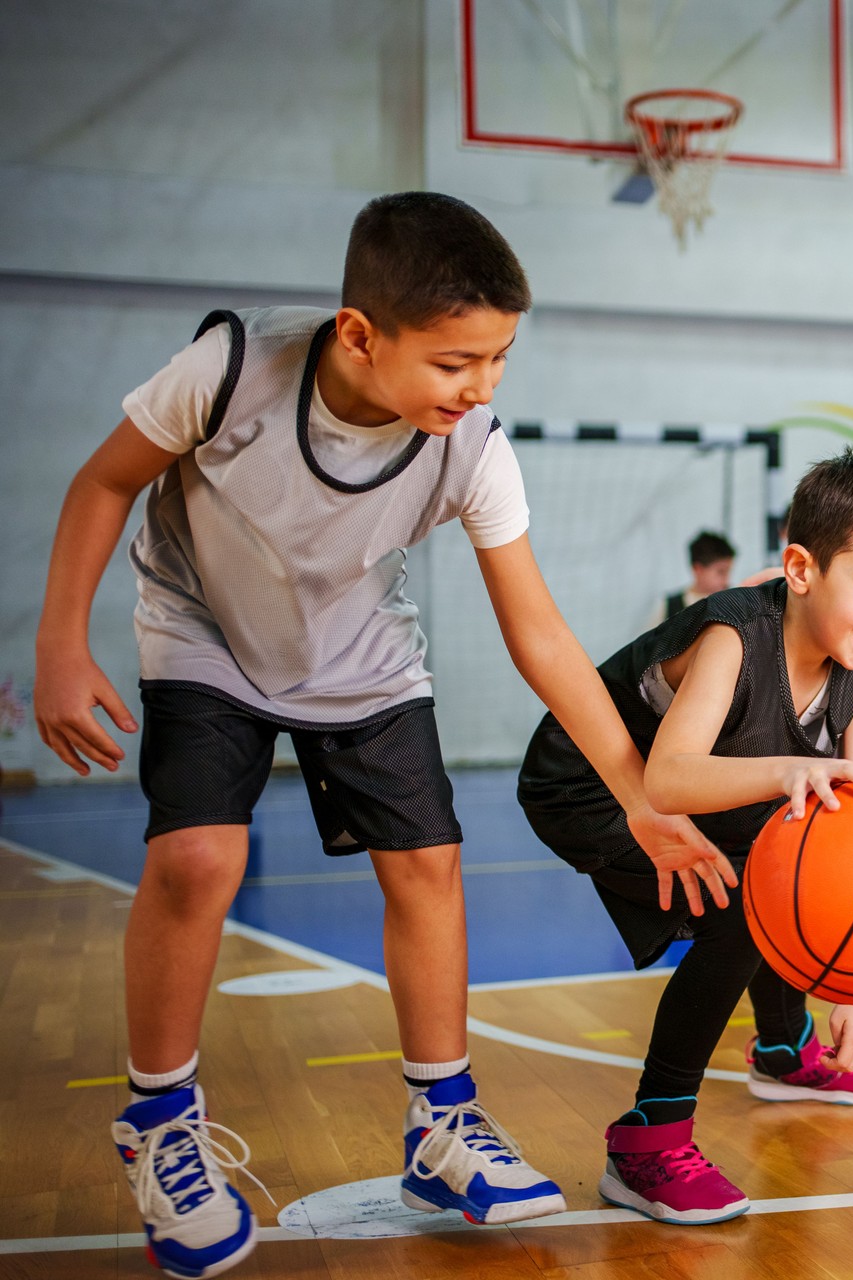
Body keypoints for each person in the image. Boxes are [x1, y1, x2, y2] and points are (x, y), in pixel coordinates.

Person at [32, 193, 731, 1275]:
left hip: (359, 652)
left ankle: (440, 1124)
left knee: (430, 864)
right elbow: (103, 481)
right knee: (200, 855)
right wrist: (60, 648)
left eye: (499, 357)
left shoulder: (473, 447)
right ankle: (161, 1119)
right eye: (457, 361)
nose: (484, 384)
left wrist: (641, 793)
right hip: (205, 628)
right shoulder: (228, 367)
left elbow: (538, 630)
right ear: (360, 334)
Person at [517, 446, 853, 1225]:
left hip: (690, 790)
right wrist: (790, 772)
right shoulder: (734, 637)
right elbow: (668, 779)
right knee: (743, 907)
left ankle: (784, 1052)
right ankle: (648, 1139)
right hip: (590, 787)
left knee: (786, 864)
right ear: (801, 568)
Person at [650, 529, 736, 626]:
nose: (727, 580)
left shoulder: (731, 604)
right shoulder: (668, 606)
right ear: (698, 569)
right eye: (721, 572)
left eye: (729, 571)